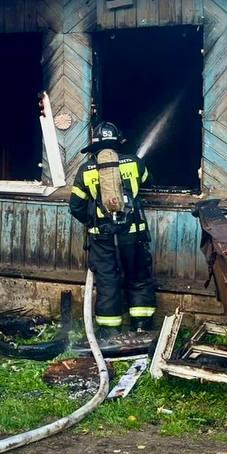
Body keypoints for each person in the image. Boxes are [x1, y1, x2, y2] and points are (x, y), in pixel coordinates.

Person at [68, 121, 156, 338]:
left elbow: (76, 206)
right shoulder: (134, 163)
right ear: (117, 142)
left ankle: (109, 331)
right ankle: (142, 327)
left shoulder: (86, 170)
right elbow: (149, 183)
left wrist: (94, 222)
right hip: (133, 235)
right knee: (138, 277)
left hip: (103, 238)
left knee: (108, 281)